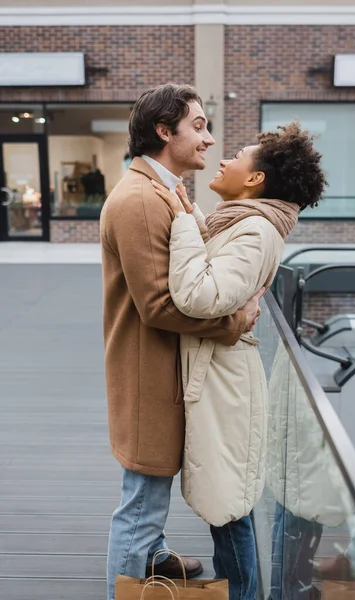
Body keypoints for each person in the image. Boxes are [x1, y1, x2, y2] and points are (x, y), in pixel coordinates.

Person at [100, 83, 263, 600]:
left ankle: (157, 555)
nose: (210, 140)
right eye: (199, 126)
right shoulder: (142, 199)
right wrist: (235, 322)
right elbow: (158, 306)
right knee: (140, 509)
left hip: (163, 372)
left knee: (148, 503)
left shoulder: (164, 193)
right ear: (163, 131)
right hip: (150, 378)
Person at [151, 121, 327, 600]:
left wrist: (184, 219)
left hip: (226, 385)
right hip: (221, 376)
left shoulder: (254, 230)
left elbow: (198, 295)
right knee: (229, 504)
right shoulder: (240, 222)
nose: (224, 159)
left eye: (239, 156)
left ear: (255, 180)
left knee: (229, 509)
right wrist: (192, 216)